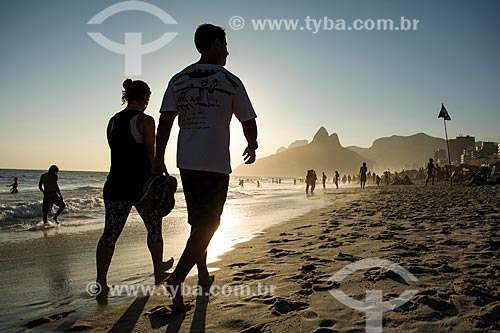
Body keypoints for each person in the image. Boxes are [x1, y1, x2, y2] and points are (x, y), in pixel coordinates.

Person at [152, 24, 258, 311]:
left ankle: (202, 273)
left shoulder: (178, 79)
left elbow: (165, 121)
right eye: (224, 44)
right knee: (210, 224)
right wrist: (253, 144)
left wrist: (158, 156)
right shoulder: (231, 80)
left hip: (186, 161)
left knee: (198, 223)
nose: (227, 50)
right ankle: (177, 279)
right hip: (214, 163)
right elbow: (247, 118)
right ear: (213, 44)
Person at [95, 79, 174, 303]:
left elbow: (117, 151)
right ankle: (158, 272)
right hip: (142, 187)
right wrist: (161, 169)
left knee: (110, 233)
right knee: (154, 227)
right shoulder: (146, 120)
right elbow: (151, 154)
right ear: (146, 98)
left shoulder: (112, 121)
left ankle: (101, 282)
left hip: (115, 185)